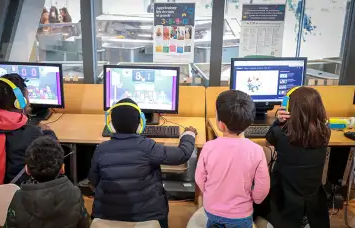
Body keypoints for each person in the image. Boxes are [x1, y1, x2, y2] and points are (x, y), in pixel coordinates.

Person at [88, 98, 197, 228]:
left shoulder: (101, 149)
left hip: (106, 215)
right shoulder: (147, 146)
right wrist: (189, 135)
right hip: (148, 216)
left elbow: (93, 181)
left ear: (110, 125)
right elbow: (182, 155)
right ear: (141, 124)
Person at [195, 90, 270, 228]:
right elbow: (262, 189)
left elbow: (200, 179)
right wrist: (255, 200)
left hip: (212, 210)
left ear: (221, 124)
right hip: (241, 215)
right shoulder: (257, 151)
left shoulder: (208, 147)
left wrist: (211, 194)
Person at [0, 73, 57, 184]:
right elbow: (54, 152)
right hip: (16, 194)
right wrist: (48, 132)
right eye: (26, 95)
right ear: (20, 101)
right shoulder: (31, 133)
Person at [264, 87, 330, 228]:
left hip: (286, 200)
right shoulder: (325, 132)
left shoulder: (280, 133)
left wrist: (278, 121)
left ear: (290, 108)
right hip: (313, 198)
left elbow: (268, 139)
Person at [4, 136, 90, 228]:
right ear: (62, 169)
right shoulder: (75, 194)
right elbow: (84, 224)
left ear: (27, 170)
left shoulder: (18, 197)